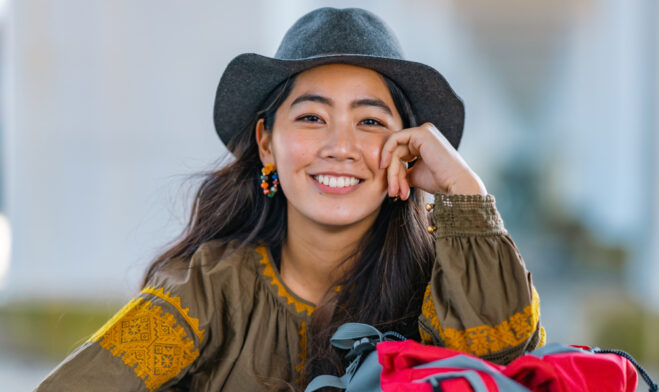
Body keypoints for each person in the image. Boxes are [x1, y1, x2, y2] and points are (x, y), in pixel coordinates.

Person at [35, 7, 545, 392]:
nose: (340, 148)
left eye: (370, 122)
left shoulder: (443, 290)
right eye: (310, 117)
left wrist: (467, 195)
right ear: (266, 144)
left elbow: (501, 365)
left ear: (406, 149)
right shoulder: (207, 290)